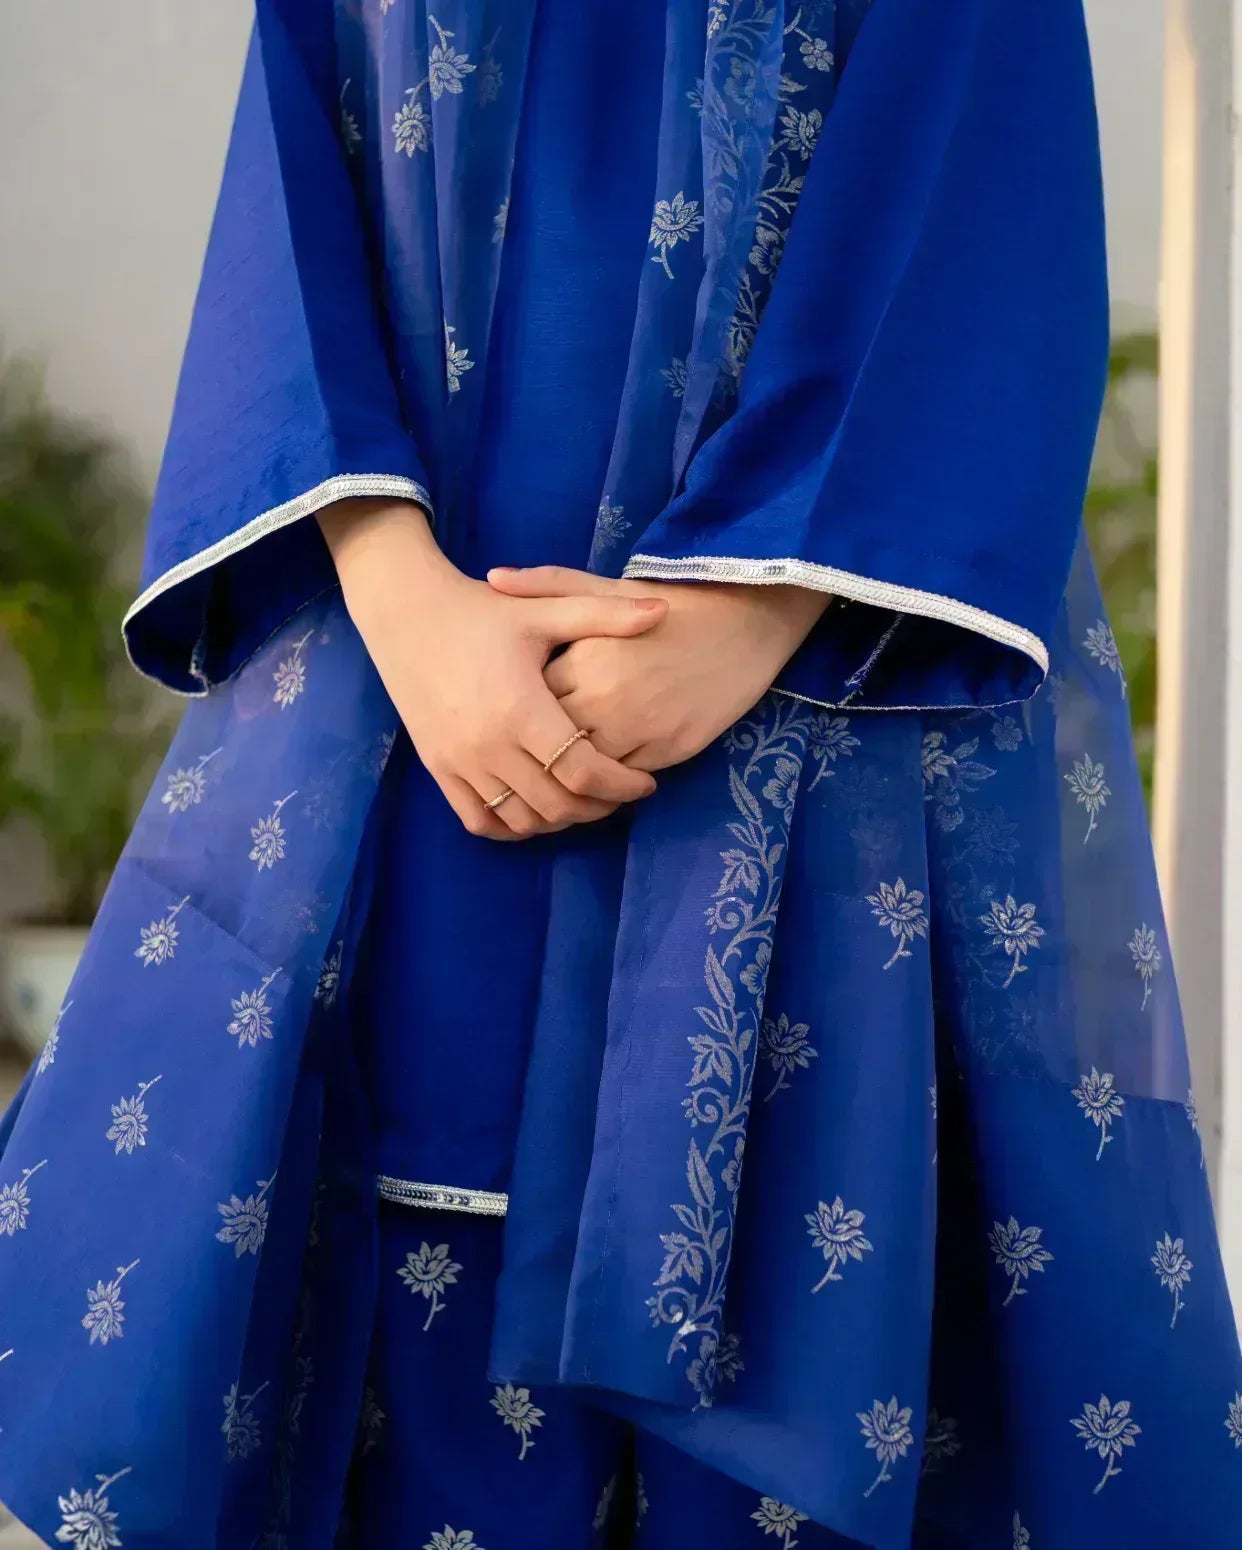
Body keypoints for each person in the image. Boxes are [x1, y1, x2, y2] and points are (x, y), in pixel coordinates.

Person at [1, 0, 1239, 1545]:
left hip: (814, 739)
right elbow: (292, 200)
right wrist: (403, 602)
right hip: (412, 733)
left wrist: (755, 608)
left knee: (802, 1285)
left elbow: (982, 184)